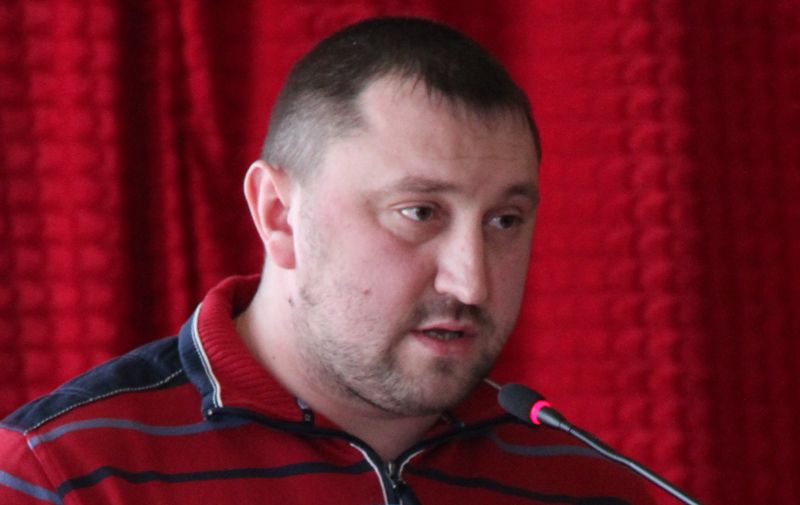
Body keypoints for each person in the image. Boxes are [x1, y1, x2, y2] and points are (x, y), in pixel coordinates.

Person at [0, 17, 654, 504]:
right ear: (279, 214)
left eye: (503, 221)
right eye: (419, 212)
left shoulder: (586, 485)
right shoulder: (65, 474)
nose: (472, 281)